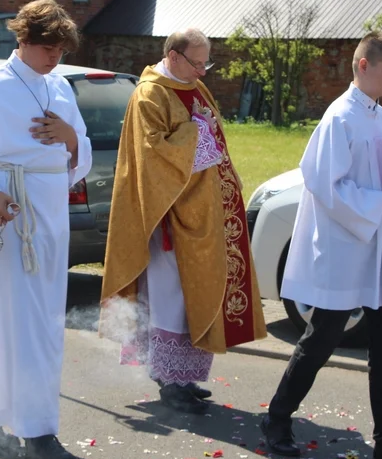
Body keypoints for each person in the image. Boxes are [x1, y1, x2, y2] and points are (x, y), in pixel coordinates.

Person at [260, 32, 382, 459]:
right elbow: (325, 184)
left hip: (376, 243)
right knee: (322, 338)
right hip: (343, 244)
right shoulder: (338, 117)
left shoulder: (378, 116)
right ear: (363, 66)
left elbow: (378, 180)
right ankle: (277, 418)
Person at [0, 0, 91, 459]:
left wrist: (70, 137)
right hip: (8, 211)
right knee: (22, 324)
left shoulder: (61, 87)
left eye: (61, 49)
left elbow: (79, 148)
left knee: (31, 319)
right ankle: (38, 433)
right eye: (48, 47)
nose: (55, 57)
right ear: (23, 39)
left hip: (51, 212)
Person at [100, 28, 267, 415]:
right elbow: (152, 155)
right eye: (197, 62)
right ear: (173, 57)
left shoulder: (193, 87)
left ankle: (185, 376)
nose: (203, 71)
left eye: (205, 62)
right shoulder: (150, 94)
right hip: (169, 218)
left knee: (195, 294)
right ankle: (167, 378)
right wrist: (196, 133)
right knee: (169, 298)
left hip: (201, 213)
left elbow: (214, 142)